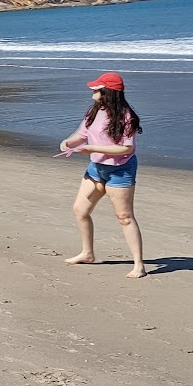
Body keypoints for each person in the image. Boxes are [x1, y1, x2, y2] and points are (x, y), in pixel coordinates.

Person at [58, 72, 146, 278]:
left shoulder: (127, 117)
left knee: (124, 217)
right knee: (80, 210)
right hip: (96, 169)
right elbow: (81, 134)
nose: (93, 95)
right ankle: (87, 253)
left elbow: (126, 149)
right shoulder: (94, 111)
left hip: (120, 170)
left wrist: (92, 148)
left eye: (96, 91)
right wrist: (68, 142)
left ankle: (139, 265)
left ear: (108, 93)